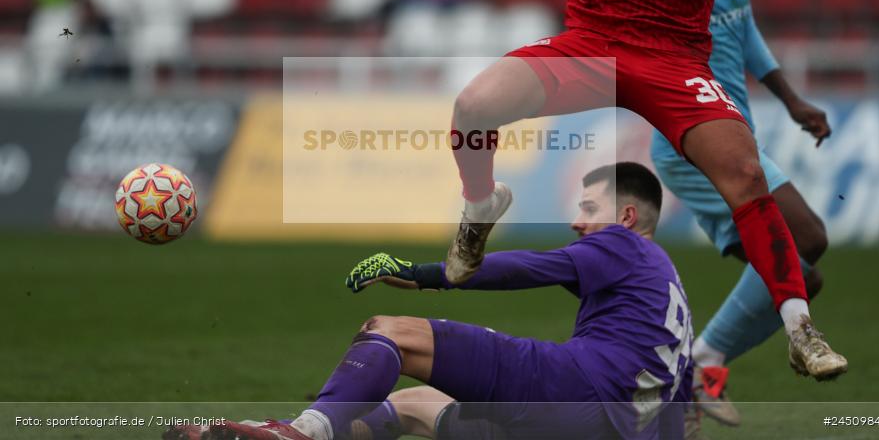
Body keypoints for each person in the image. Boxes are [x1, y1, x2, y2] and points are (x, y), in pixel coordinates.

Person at [334, 0, 879, 379]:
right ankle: (480, 205)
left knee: (748, 175)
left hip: (674, 62)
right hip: (591, 47)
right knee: (474, 105)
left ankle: (802, 331)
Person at [166, 163, 695, 440]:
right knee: (413, 405)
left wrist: (426, 274)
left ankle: (299, 434)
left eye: (588, 208)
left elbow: (531, 267)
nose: (577, 221)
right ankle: (260, 434)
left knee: (393, 333)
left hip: (569, 393)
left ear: (626, 217)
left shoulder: (624, 244)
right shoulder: (670, 296)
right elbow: (682, 408)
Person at [649, 0, 831, 427]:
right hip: (690, 138)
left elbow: (742, 26)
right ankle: (702, 359)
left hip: (736, 136)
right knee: (808, 238)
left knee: (803, 277)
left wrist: (791, 101)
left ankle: (693, 374)